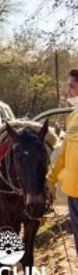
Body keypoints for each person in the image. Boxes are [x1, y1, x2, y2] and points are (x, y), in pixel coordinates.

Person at [47, 68, 78, 255]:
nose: (68, 91)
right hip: (73, 192)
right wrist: (50, 180)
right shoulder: (73, 117)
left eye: (72, 87)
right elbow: (64, 154)